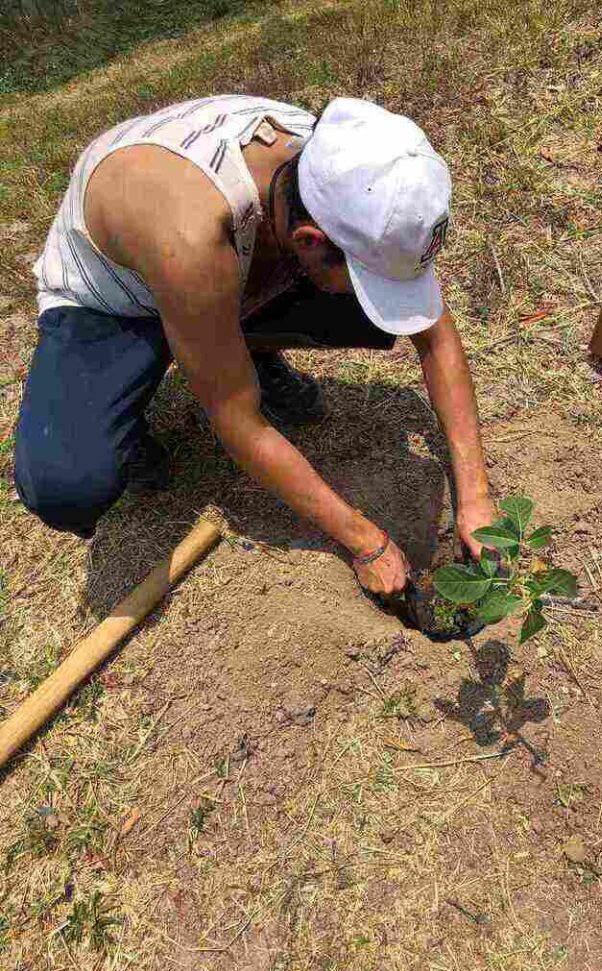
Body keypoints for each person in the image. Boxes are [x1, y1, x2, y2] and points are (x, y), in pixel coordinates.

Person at [14, 95, 495, 596]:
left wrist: (476, 497)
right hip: (117, 302)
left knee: (369, 313)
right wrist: (366, 542)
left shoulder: (351, 176)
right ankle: (137, 419)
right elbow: (236, 418)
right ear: (310, 241)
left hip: (218, 271)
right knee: (67, 483)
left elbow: (436, 334)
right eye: (365, 277)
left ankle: (237, 348)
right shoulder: (191, 235)